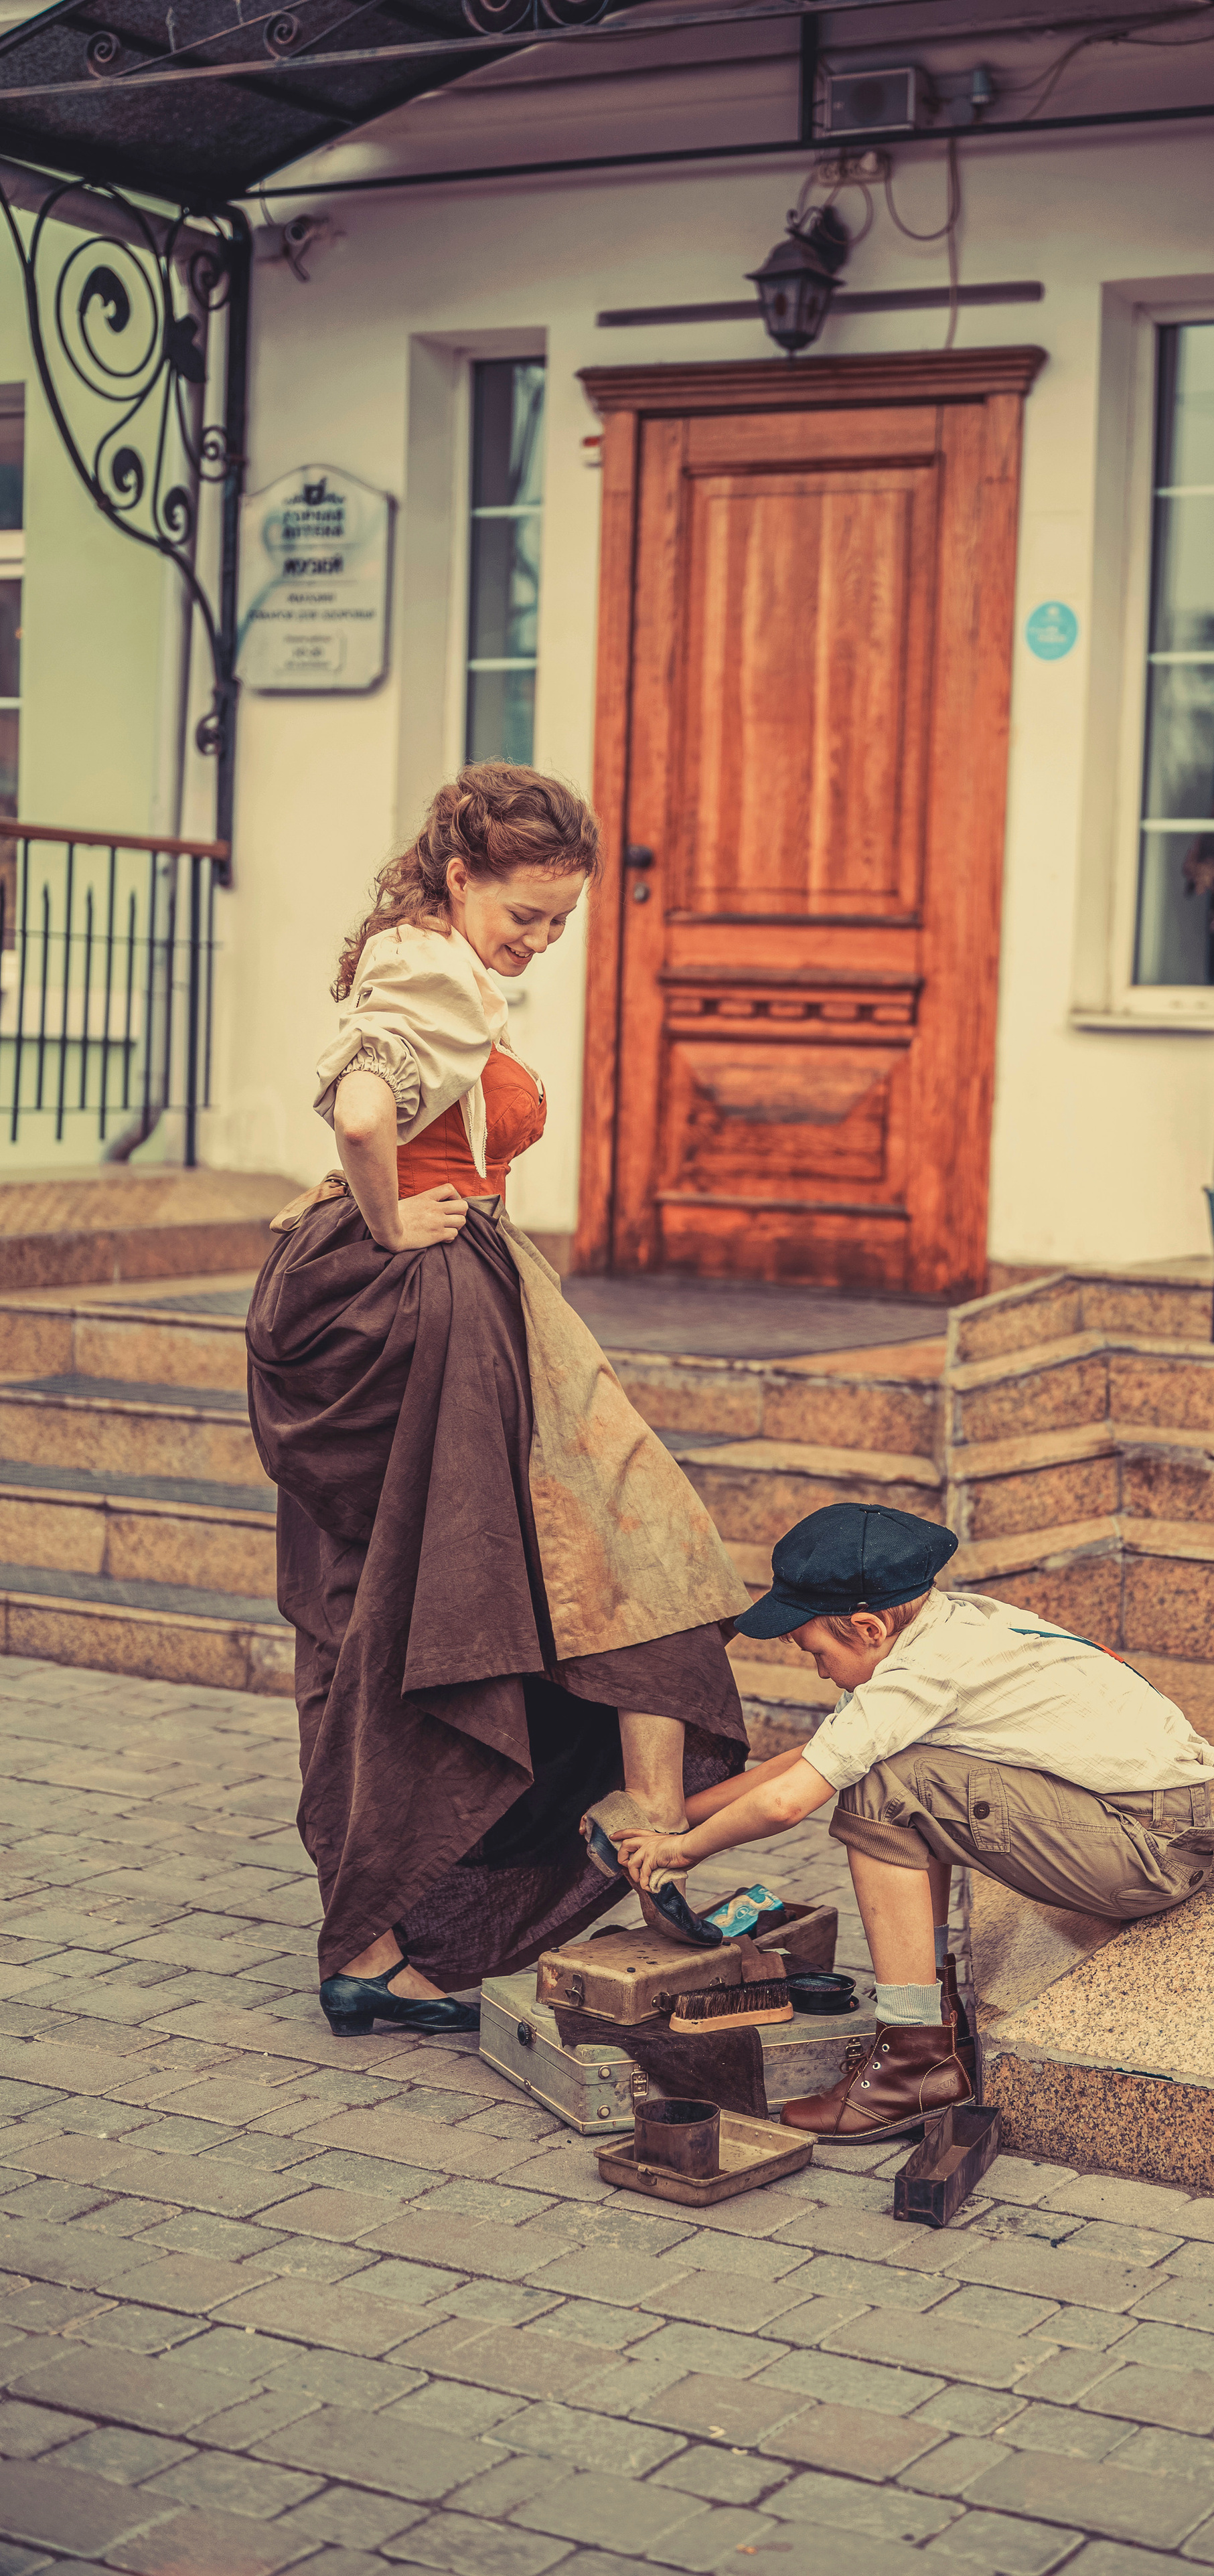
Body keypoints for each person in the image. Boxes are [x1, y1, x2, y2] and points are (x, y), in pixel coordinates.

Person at [246, 763, 752, 2042]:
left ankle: (621, 1830)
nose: (538, 941)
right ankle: (380, 1935)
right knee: (428, 1599)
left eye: (559, 924)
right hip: (419, 1301)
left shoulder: (420, 955)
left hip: (447, 1294)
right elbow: (365, 1111)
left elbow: (392, 1106)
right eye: (524, 914)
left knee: (450, 1588)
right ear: (459, 875)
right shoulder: (427, 964)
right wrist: (383, 1215)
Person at [613, 1501, 1214, 2141]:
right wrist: (672, 1817)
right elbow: (807, 1760)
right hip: (1133, 1824)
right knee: (888, 1766)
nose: (818, 1670)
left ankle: (912, 2060)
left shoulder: (921, 1674)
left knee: (885, 1782)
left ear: (868, 1628)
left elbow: (785, 1803)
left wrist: (681, 1852)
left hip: (1147, 1849)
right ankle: (933, 2020)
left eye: (815, 1651)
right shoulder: (945, 1628)